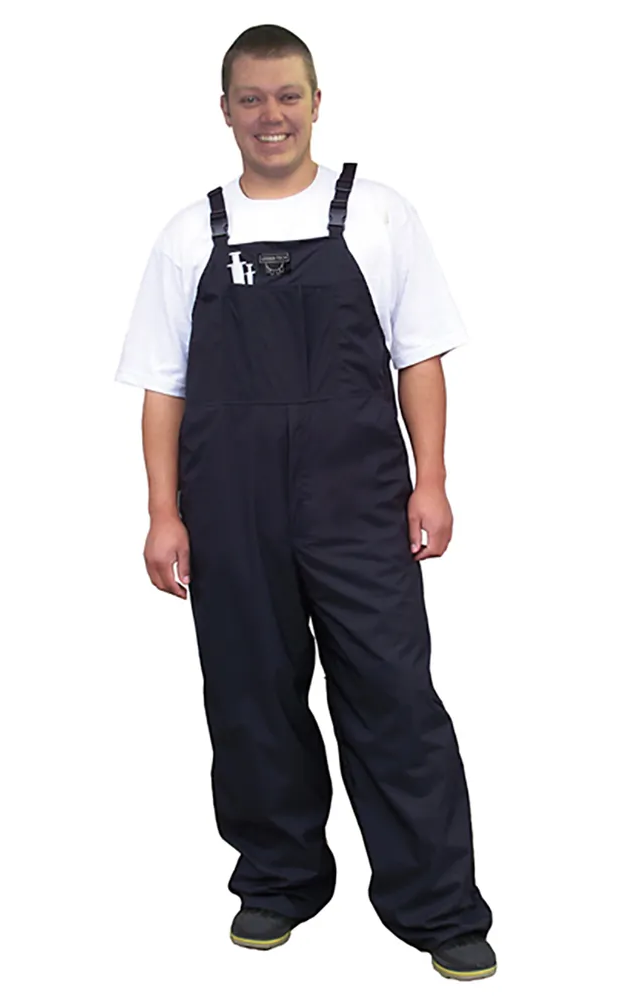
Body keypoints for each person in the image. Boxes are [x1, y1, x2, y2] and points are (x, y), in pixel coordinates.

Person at [114, 24, 496, 982]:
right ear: (225, 110)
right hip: (230, 511)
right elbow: (164, 387)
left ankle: (439, 908)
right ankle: (277, 883)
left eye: (287, 96)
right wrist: (162, 512)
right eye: (251, 98)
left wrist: (433, 480)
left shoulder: (379, 216)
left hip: (358, 503)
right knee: (250, 699)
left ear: (317, 103)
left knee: (394, 698)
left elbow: (420, 357)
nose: (270, 115)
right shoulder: (188, 235)